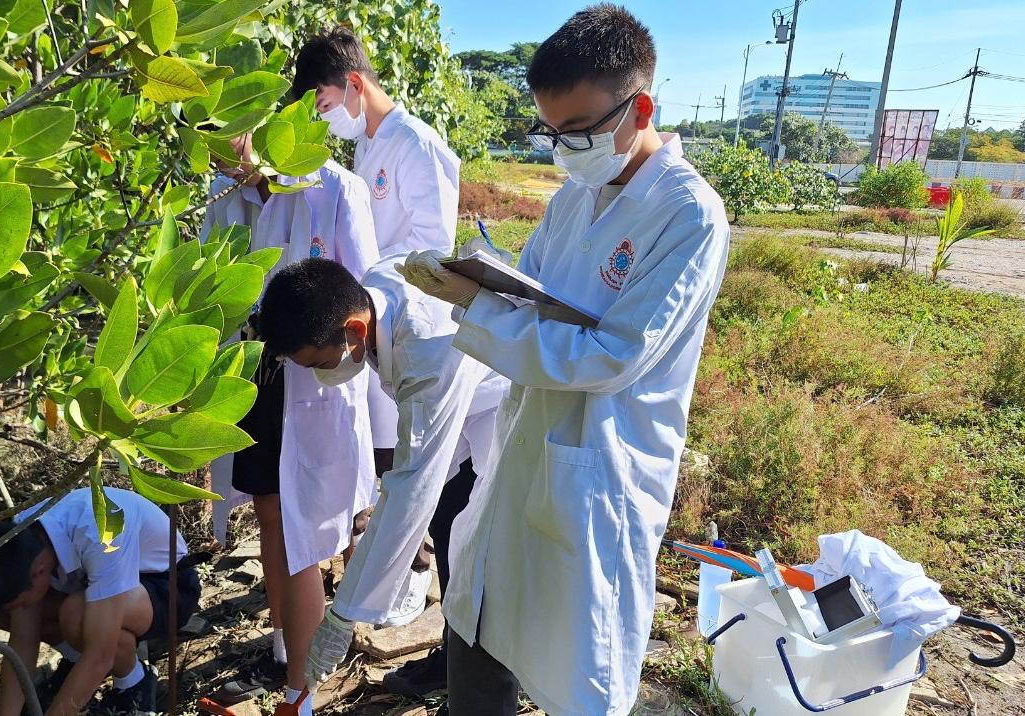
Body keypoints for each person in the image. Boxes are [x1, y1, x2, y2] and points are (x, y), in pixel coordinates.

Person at [398, 5, 731, 714]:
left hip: (597, 470)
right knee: (476, 616)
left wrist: (479, 308)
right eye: (553, 132)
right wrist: (475, 287)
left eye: (579, 130)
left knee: (580, 671)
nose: (565, 148)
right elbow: (532, 295)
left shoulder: (687, 214)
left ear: (640, 107)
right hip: (523, 447)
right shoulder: (574, 198)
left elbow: (612, 358)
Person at [256, 256, 509, 707]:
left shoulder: (429, 346)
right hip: (458, 419)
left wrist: (344, 615)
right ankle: (454, 658)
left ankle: (481, 688)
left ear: (353, 330)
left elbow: (413, 486)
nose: (320, 373)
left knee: (483, 562)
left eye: (320, 360)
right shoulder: (374, 288)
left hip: (507, 414)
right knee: (451, 530)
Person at [199, 133, 380, 716]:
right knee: (271, 515)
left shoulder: (335, 190)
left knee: (309, 526)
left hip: (315, 372)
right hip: (251, 372)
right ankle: (287, 647)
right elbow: (204, 290)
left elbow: (361, 305)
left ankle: (302, 684)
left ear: (258, 129)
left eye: (226, 137)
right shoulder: (220, 197)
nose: (220, 157)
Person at [293, 23, 463, 636]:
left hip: (413, 327)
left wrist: (373, 283)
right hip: (372, 324)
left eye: (324, 106)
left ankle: (415, 576)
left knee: (417, 464)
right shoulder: (365, 145)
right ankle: (399, 567)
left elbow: (434, 251)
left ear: (354, 85)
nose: (324, 120)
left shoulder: (417, 145)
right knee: (390, 455)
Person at [0, 487, 200, 716]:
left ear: (38, 572)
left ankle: (134, 683)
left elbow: (99, 654)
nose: (20, 611)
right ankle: (75, 663)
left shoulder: (99, 534)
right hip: (96, 590)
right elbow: (22, 643)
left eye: (21, 603)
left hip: (168, 587)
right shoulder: (20, 539)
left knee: (77, 614)